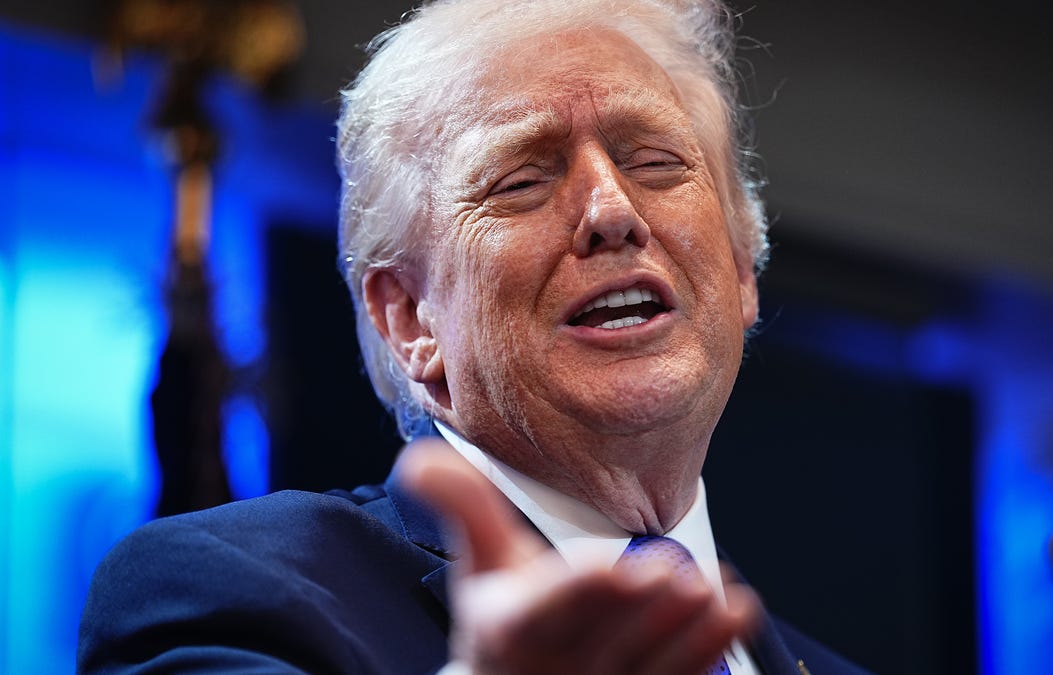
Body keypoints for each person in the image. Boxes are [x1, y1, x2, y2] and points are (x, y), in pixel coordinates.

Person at [79, 0, 870, 673]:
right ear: (410, 318)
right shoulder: (222, 590)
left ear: (740, 268)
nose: (612, 212)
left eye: (657, 162)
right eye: (523, 179)